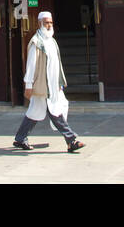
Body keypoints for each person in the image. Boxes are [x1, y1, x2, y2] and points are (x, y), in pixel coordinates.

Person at [13, 11, 84, 153]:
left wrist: (59, 83)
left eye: (51, 22)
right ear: (40, 23)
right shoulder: (36, 42)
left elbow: (57, 64)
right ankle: (71, 140)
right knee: (54, 111)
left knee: (35, 112)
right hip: (42, 86)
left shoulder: (51, 41)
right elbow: (31, 65)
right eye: (46, 22)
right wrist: (28, 85)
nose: (49, 25)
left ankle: (20, 138)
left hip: (53, 85)